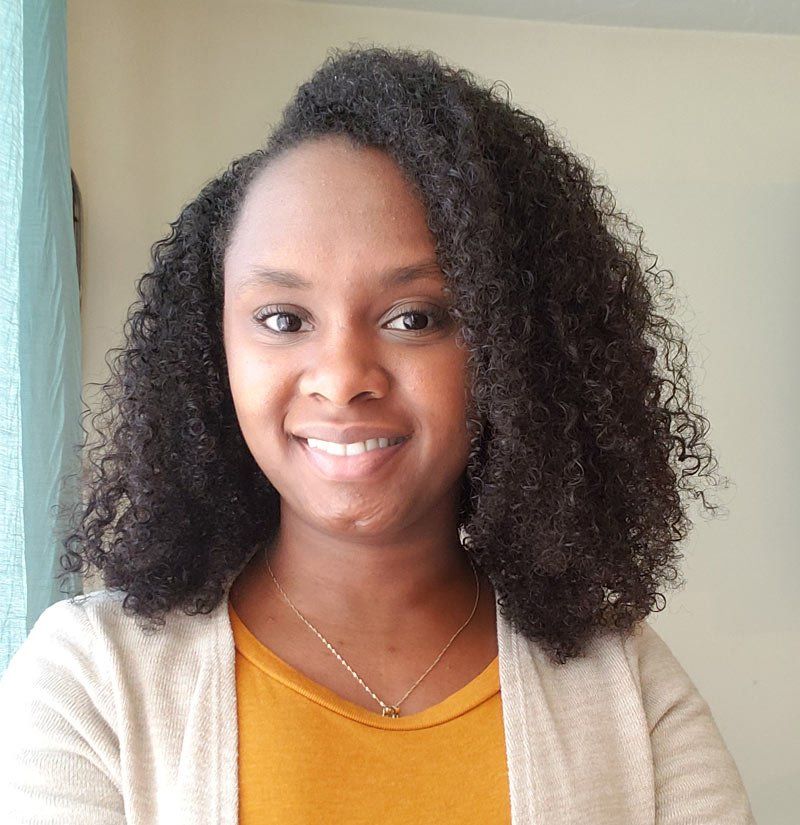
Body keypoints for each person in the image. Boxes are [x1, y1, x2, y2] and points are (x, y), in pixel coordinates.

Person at [0, 45, 756, 824]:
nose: (341, 374)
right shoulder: (94, 681)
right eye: (283, 319)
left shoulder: (625, 687)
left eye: (414, 318)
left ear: (514, 349)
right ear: (211, 348)